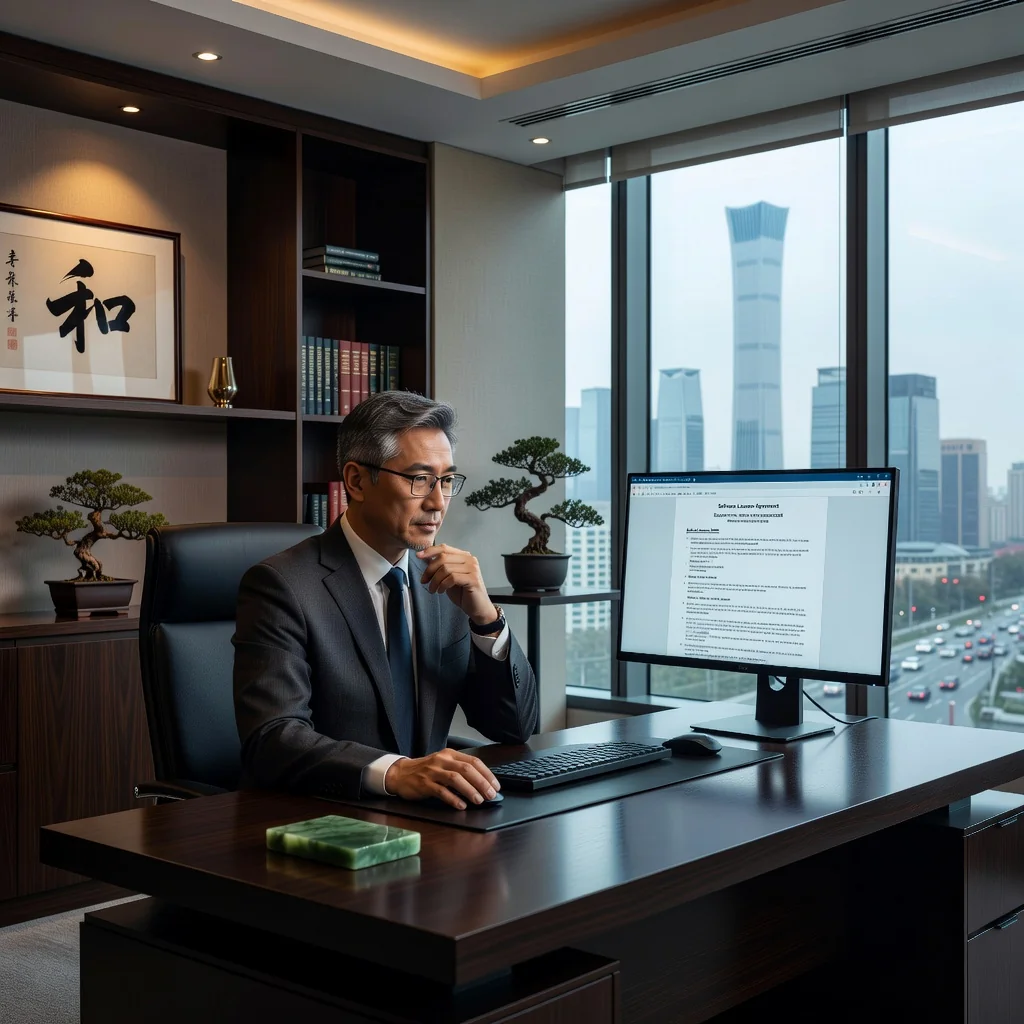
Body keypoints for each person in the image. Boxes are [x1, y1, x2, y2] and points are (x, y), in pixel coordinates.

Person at [233, 391, 538, 809]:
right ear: (357, 481)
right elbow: (273, 738)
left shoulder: (445, 583)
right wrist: (393, 772)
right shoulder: (281, 585)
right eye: (419, 479)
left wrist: (486, 618)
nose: (438, 502)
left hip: (433, 820)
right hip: (326, 819)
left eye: (447, 480)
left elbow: (515, 727)